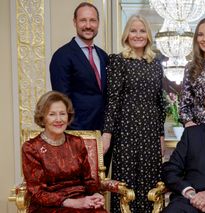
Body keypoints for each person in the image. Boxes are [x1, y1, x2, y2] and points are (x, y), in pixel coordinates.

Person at [101, 15, 166, 212]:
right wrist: (107, 133)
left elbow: (159, 102)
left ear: (148, 35)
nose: (138, 35)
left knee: (150, 183)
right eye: (133, 30)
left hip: (150, 132)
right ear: (126, 35)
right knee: (126, 184)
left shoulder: (156, 64)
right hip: (126, 133)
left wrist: (161, 135)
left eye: (142, 30)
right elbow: (112, 100)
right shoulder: (118, 61)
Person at [22, 91, 107, 213]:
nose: (59, 119)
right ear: (42, 118)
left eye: (62, 114)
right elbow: (37, 193)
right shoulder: (31, 148)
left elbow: (88, 180)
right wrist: (74, 203)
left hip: (81, 200)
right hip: (48, 206)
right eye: (52, 114)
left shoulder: (77, 142)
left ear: (68, 116)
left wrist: (95, 194)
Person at [50, 2, 109, 131]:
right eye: (83, 20)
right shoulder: (62, 56)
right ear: (75, 22)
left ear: (98, 23)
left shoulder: (103, 56)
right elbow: (62, 100)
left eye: (92, 20)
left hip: (104, 133)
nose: (88, 26)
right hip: (77, 132)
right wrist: (75, 132)